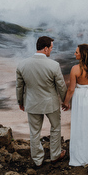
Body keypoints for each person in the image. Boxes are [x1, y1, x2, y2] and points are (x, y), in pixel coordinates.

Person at [16, 36, 67, 167]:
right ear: (45, 48)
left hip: (32, 103)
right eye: (51, 48)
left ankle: (38, 160)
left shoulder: (22, 65)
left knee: (34, 132)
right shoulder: (54, 65)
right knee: (55, 128)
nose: (51, 50)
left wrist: (20, 102)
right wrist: (66, 101)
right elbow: (61, 86)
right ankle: (55, 155)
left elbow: (19, 86)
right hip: (51, 103)